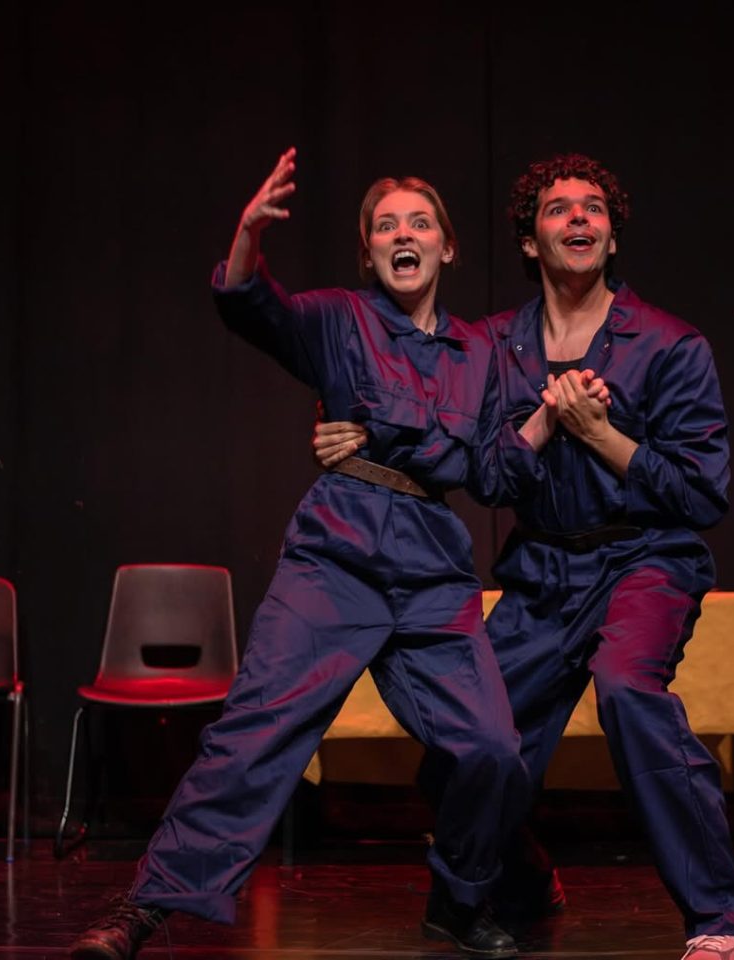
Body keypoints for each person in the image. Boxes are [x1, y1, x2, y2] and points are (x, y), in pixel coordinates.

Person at [69, 148, 546, 960]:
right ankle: (145, 908)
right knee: (253, 733)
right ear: (369, 251)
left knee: (493, 752)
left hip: (431, 574)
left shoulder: (482, 355)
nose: (404, 235)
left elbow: (494, 474)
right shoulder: (339, 318)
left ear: (448, 246)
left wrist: (540, 421)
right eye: (386, 226)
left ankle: (460, 901)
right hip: (337, 558)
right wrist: (248, 234)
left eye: (420, 223)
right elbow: (255, 309)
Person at [314, 153, 734, 960]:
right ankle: (523, 883)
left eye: (594, 208)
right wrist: (351, 432)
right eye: (559, 209)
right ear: (531, 241)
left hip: (644, 560)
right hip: (543, 574)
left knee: (630, 694)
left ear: (612, 236)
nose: (579, 218)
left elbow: (703, 496)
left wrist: (602, 436)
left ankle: (725, 920)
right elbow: (434, 420)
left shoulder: (669, 345)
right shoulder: (492, 346)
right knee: (466, 751)